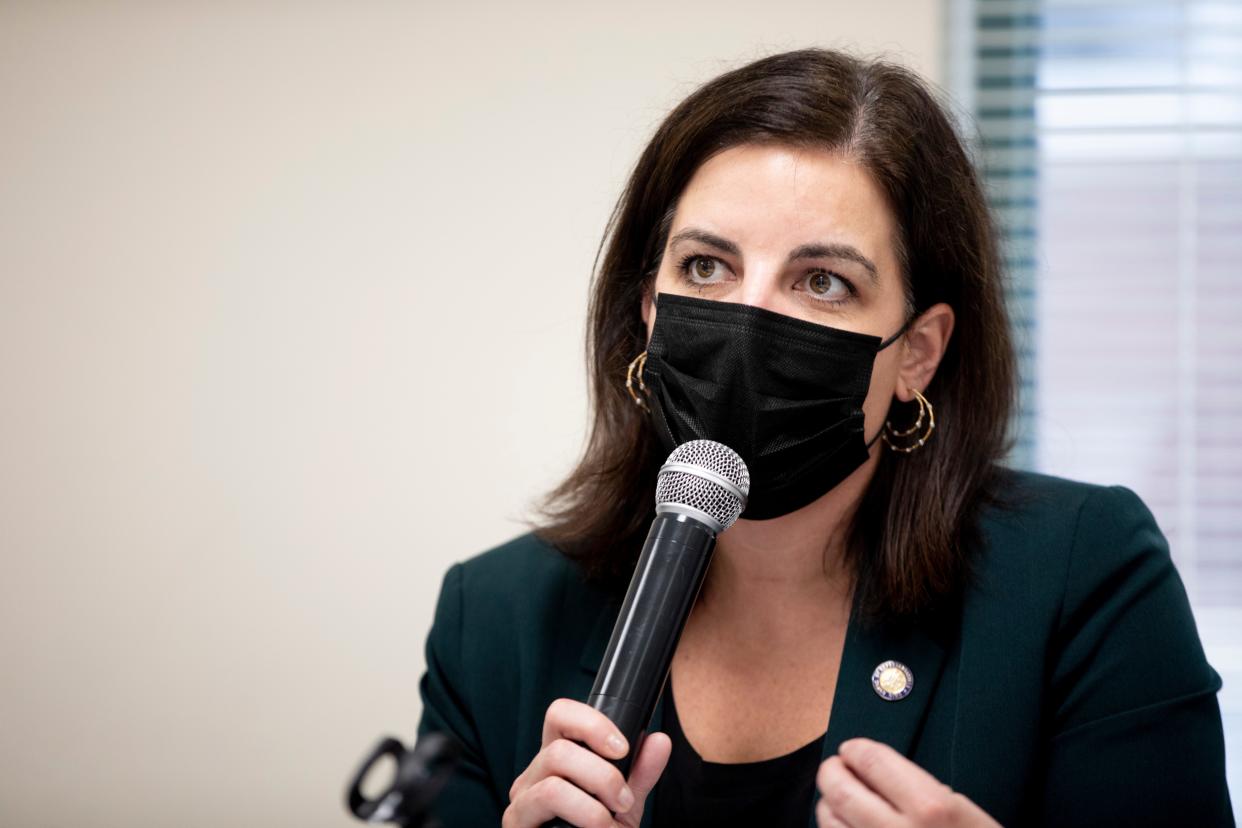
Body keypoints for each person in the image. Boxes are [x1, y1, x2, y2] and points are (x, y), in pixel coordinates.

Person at [413, 48, 1233, 827]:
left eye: (822, 282)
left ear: (917, 352)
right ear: (648, 312)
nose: (750, 319)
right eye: (706, 267)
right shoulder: (492, 619)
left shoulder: (1082, 577)